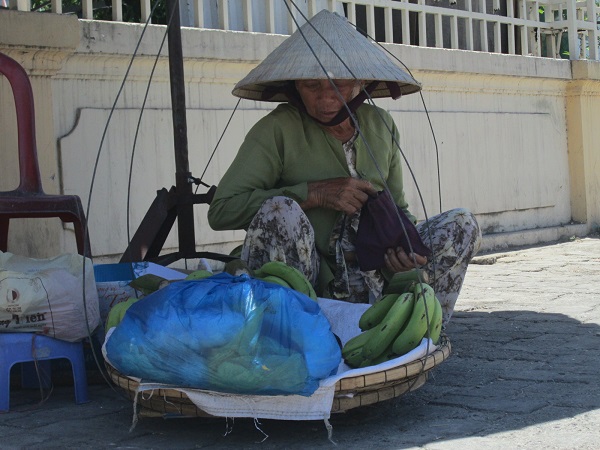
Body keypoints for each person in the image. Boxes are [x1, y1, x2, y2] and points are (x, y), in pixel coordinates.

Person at [208, 10, 481, 326]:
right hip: (308, 281)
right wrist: (313, 194)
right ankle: (294, 332)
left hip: (374, 277)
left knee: (462, 224)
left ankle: (419, 330)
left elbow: (398, 208)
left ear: (361, 82)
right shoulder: (277, 129)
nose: (325, 98)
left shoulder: (381, 125)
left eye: (338, 84)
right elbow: (223, 211)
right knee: (282, 209)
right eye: (312, 85)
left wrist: (406, 250)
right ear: (296, 84)